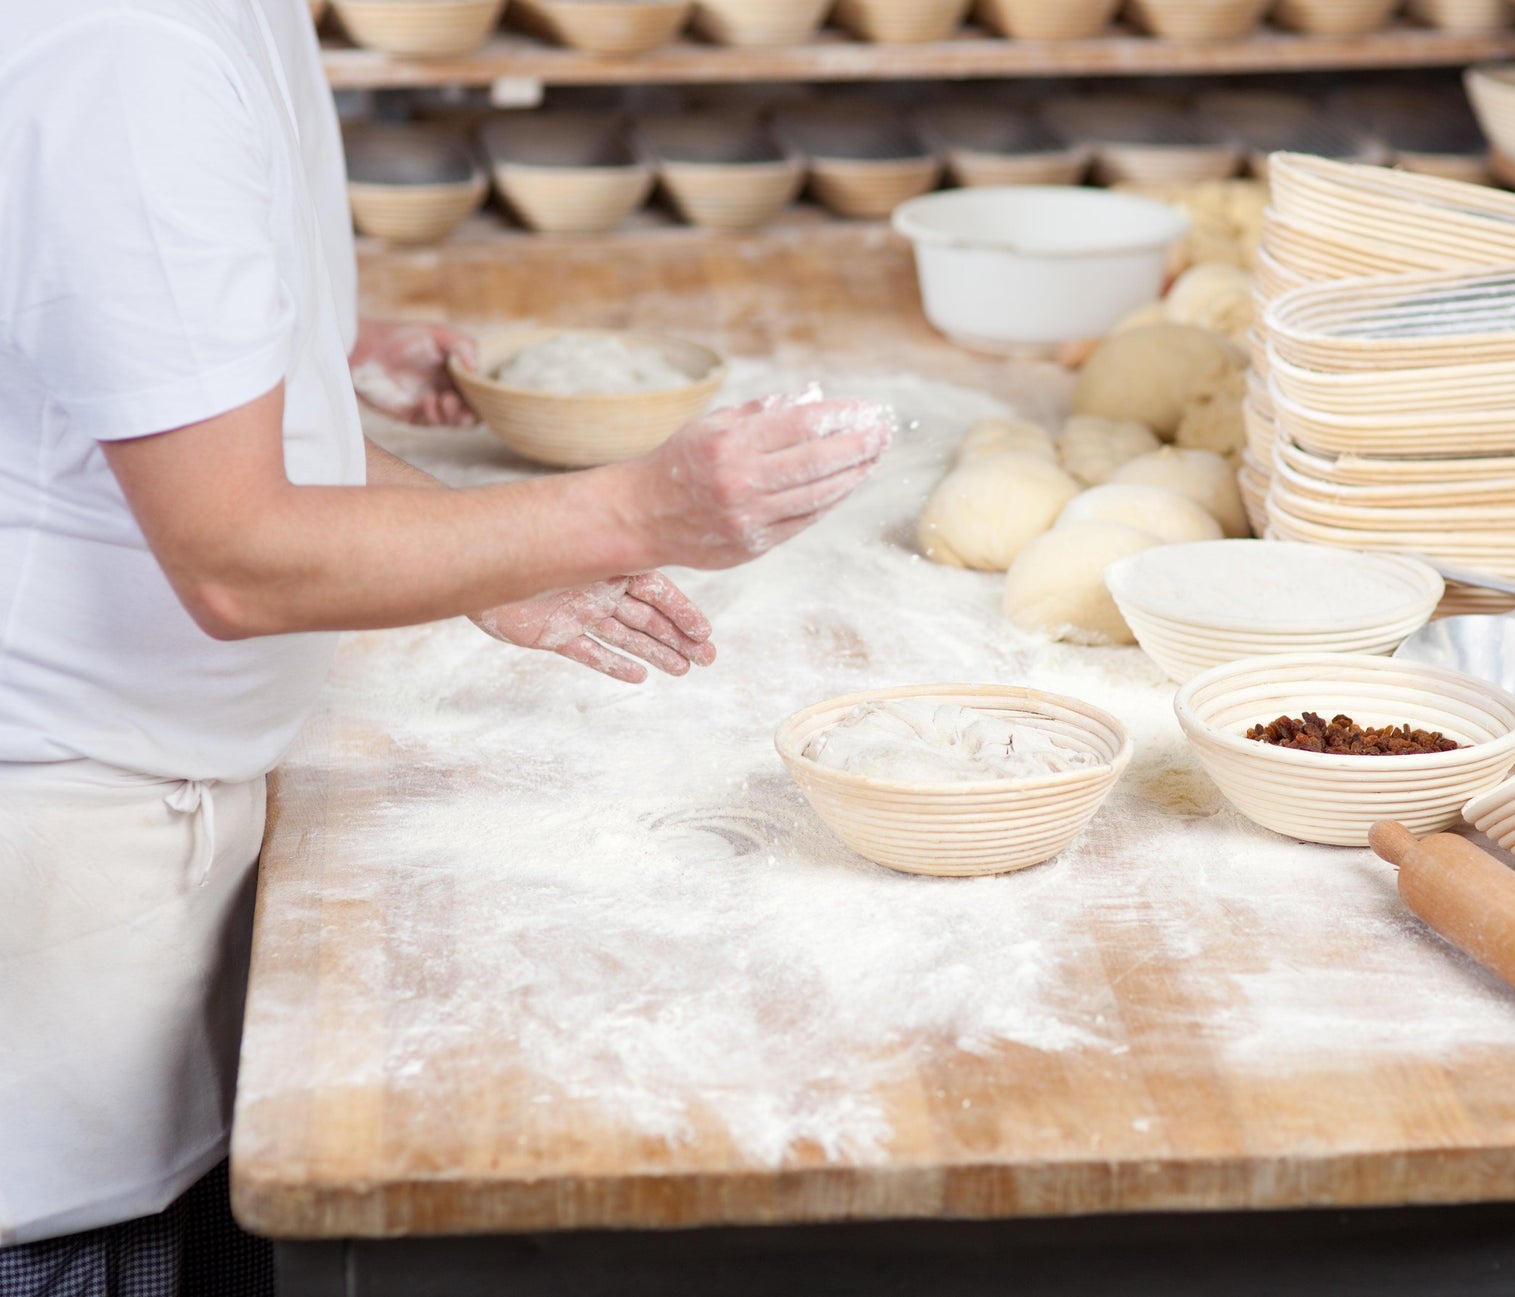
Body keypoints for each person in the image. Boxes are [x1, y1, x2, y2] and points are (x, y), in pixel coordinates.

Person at [0, 1, 892, 1291]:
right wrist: (635, 509)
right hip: (62, 847)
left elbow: (170, 412)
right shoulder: (126, 46)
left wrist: (483, 541)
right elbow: (233, 555)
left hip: (153, 819)